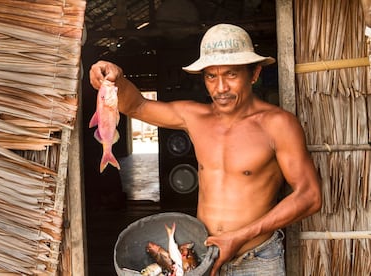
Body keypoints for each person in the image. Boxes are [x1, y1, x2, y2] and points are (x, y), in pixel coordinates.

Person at [90, 24, 322, 276]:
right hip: (202, 258)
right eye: (211, 76)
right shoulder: (194, 117)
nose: (220, 88)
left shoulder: (278, 124)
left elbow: (309, 196)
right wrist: (115, 78)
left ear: (254, 74)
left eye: (231, 75)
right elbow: (136, 106)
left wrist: (239, 237)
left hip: (256, 260)